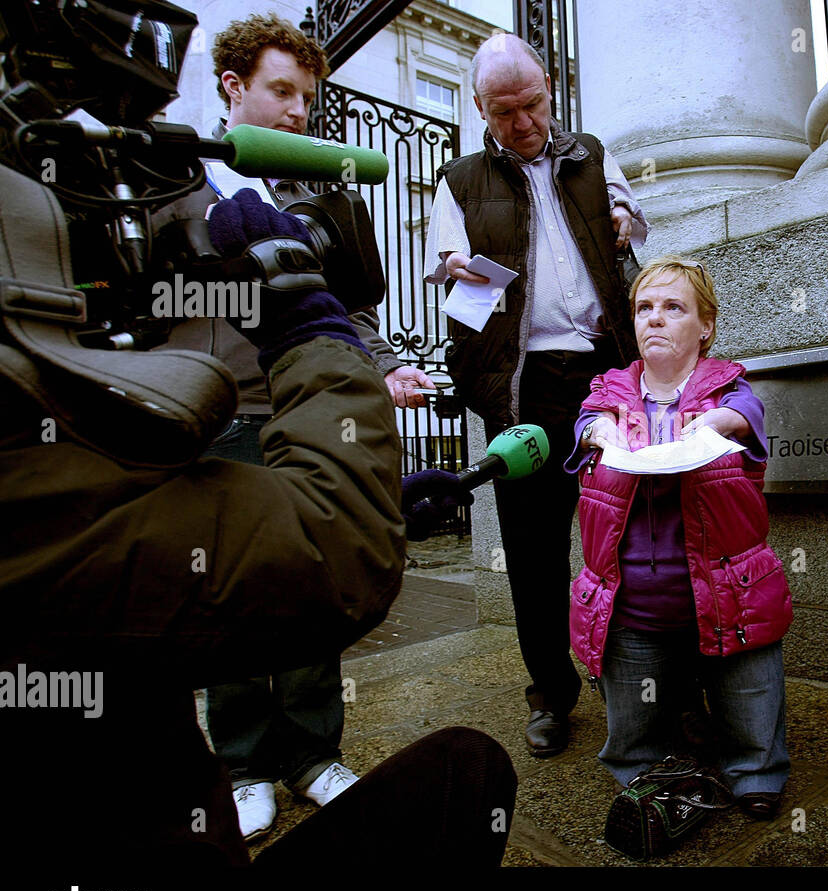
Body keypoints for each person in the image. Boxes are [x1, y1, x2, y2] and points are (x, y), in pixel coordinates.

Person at [155, 13, 442, 842]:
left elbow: (346, 307)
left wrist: (385, 364)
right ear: (233, 86)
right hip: (216, 417)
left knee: (312, 579)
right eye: (281, 90)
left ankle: (314, 753)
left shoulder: (313, 197)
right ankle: (244, 763)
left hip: (306, 413)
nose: (296, 112)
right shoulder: (173, 181)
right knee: (235, 593)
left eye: (306, 98)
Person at [423, 33, 647, 758]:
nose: (522, 124)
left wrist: (624, 222)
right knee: (532, 550)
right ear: (481, 108)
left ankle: (648, 685)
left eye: (532, 105)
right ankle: (551, 694)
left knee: (636, 537)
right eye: (502, 112)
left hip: (606, 377)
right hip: (525, 393)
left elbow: (633, 227)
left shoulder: (591, 155)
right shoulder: (457, 181)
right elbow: (447, 278)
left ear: (549, 88)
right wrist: (455, 269)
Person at [566, 256, 792, 830]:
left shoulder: (728, 392)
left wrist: (718, 425)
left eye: (674, 307)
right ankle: (644, 773)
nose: (655, 319)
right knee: (636, 716)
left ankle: (756, 773)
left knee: (749, 698)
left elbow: (747, 414)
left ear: (705, 325)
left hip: (727, 594)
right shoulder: (610, 394)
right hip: (633, 599)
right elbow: (584, 426)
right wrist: (599, 430)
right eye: (645, 307)